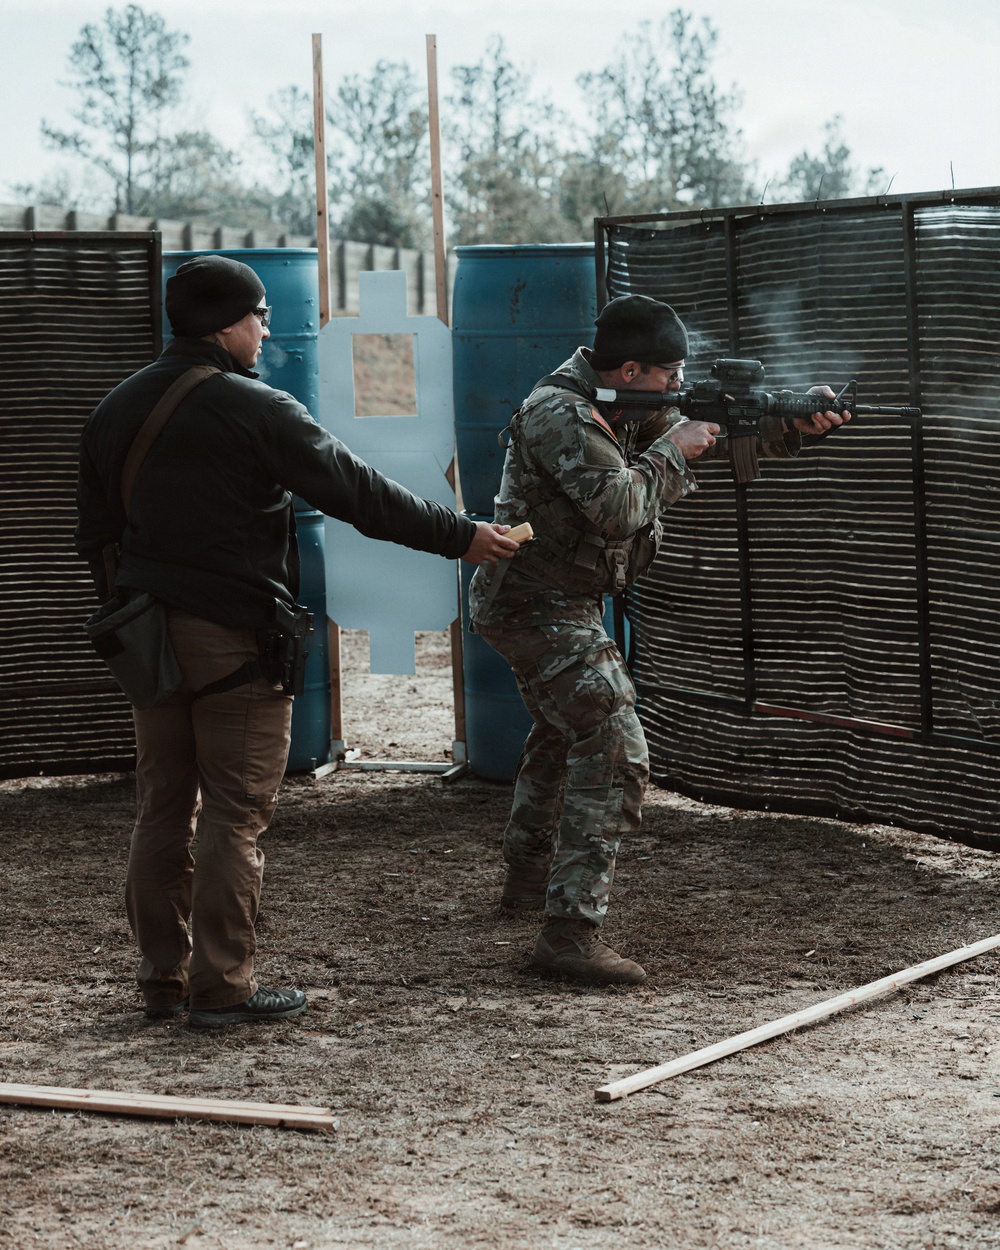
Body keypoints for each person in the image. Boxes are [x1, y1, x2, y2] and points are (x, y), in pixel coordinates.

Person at [76, 255, 518, 1029]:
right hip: (234, 640)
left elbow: (95, 535)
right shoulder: (258, 409)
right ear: (227, 324)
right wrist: (463, 537)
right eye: (260, 317)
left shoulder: (113, 409)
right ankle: (222, 989)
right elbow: (359, 493)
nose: (267, 330)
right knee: (235, 815)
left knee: (162, 808)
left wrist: (129, 614)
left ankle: (161, 981)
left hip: (146, 639)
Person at [468, 294, 849, 986]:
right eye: (669, 374)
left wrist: (798, 422)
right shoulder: (560, 413)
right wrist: (674, 449)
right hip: (532, 604)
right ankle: (569, 936)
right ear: (633, 367)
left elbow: (727, 433)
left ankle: (527, 881)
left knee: (564, 731)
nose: (678, 386)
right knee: (614, 744)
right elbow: (617, 508)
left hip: (557, 600)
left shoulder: (623, 399)